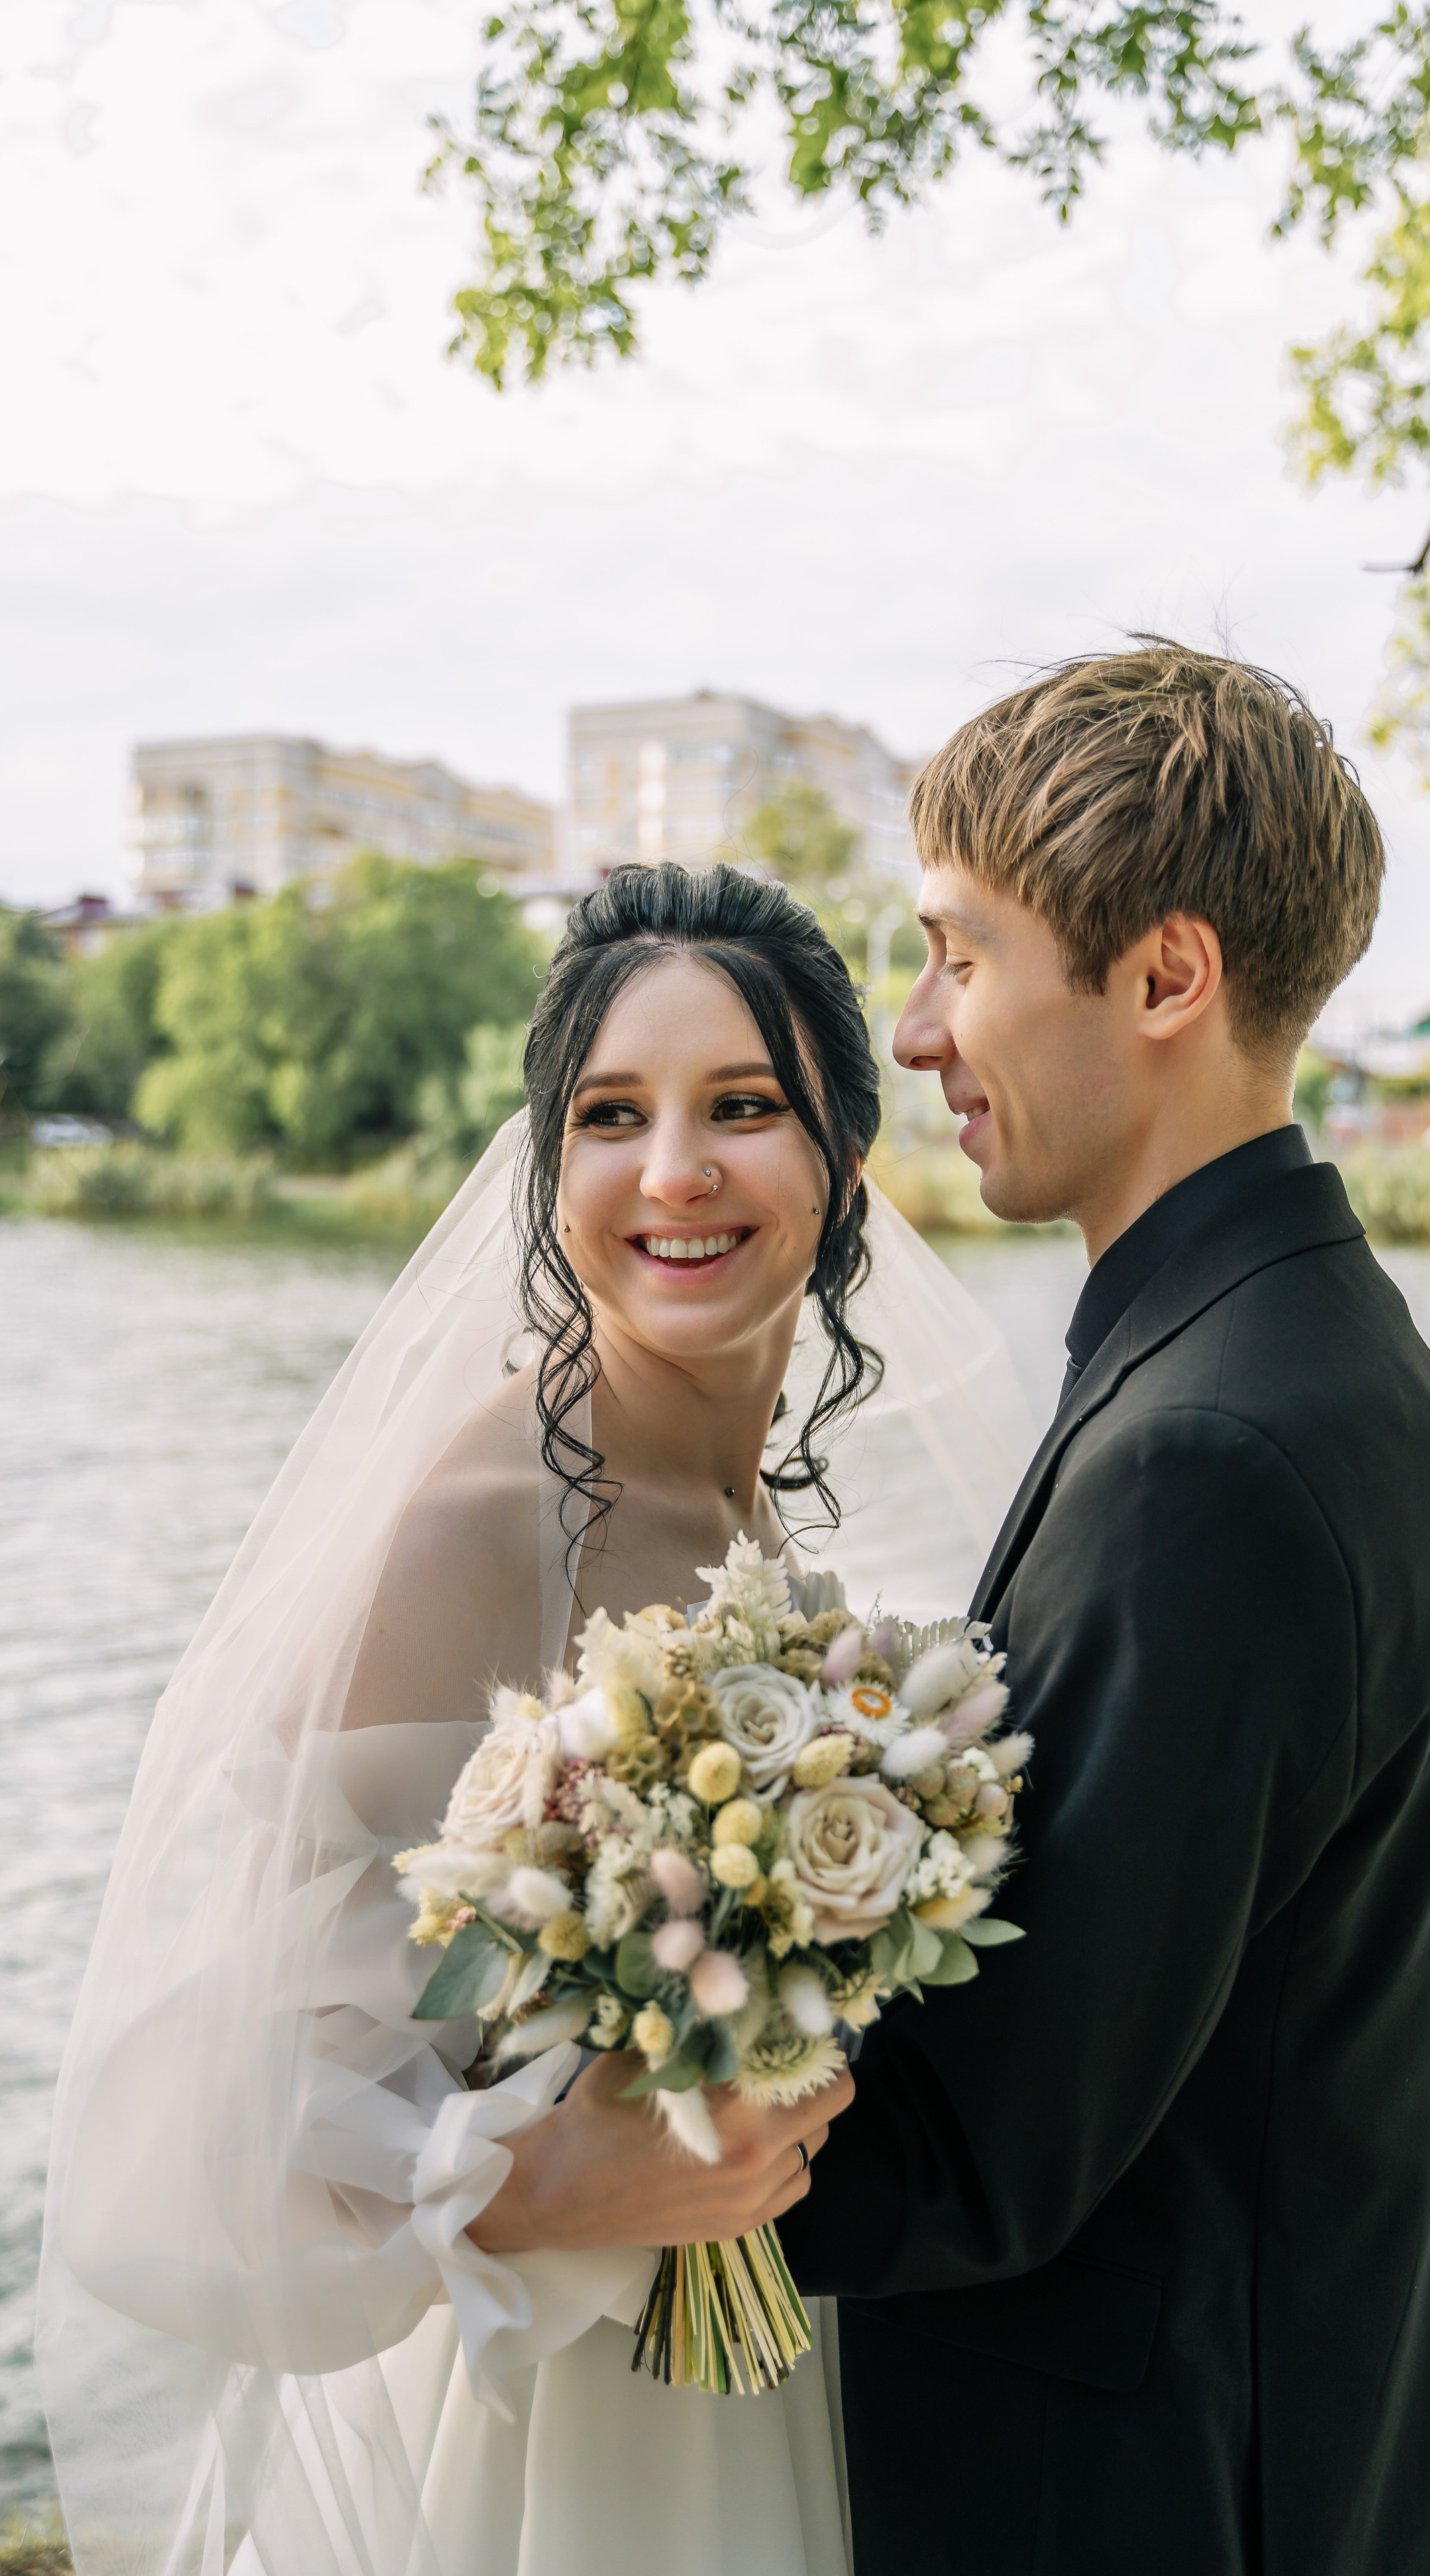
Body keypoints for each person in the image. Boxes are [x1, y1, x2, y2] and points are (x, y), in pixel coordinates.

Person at [37, 862, 1034, 2576]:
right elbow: (194, 2105)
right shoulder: (478, 1518)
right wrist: (521, 2185)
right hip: (540, 2433)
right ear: (546, 1167)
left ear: (845, 1163)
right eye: (607, 1115)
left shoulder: (741, 1522)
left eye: (742, 1106)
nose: (671, 1172)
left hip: (732, 2378)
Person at [777, 642, 1430, 2576]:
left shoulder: (1215, 1449)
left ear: (1166, 977)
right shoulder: (1301, 1341)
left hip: (1157, 2507)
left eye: (957, 952)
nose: (916, 1034)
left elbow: (994, 2145)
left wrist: (576, 2132)